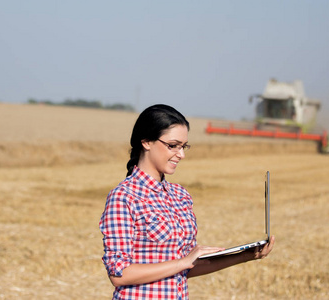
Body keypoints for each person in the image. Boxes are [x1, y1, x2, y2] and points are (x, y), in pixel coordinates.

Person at [99, 104, 275, 299]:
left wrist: (245, 256)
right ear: (147, 141)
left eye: (184, 147)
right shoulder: (124, 197)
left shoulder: (180, 195)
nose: (181, 154)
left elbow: (187, 267)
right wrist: (183, 262)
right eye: (173, 146)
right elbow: (119, 273)